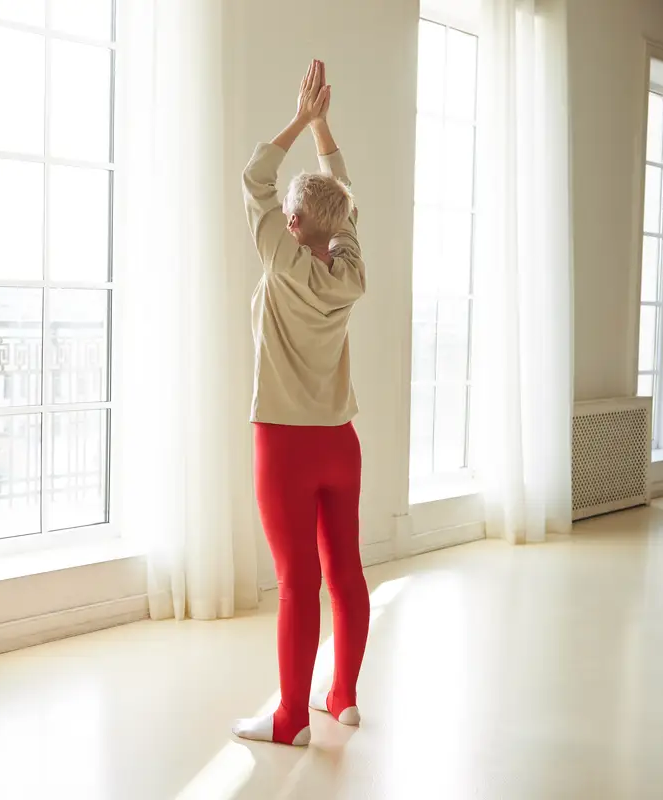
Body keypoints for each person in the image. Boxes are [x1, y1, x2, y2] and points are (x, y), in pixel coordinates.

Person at [232, 60, 371, 747]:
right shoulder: (349, 270)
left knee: (297, 583)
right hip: (340, 445)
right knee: (344, 571)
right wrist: (325, 127)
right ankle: (342, 696)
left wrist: (298, 117)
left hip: (284, 446)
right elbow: (345, 204)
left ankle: (290, 722)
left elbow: (252, 178)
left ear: (290, 223)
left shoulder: (279, 258)